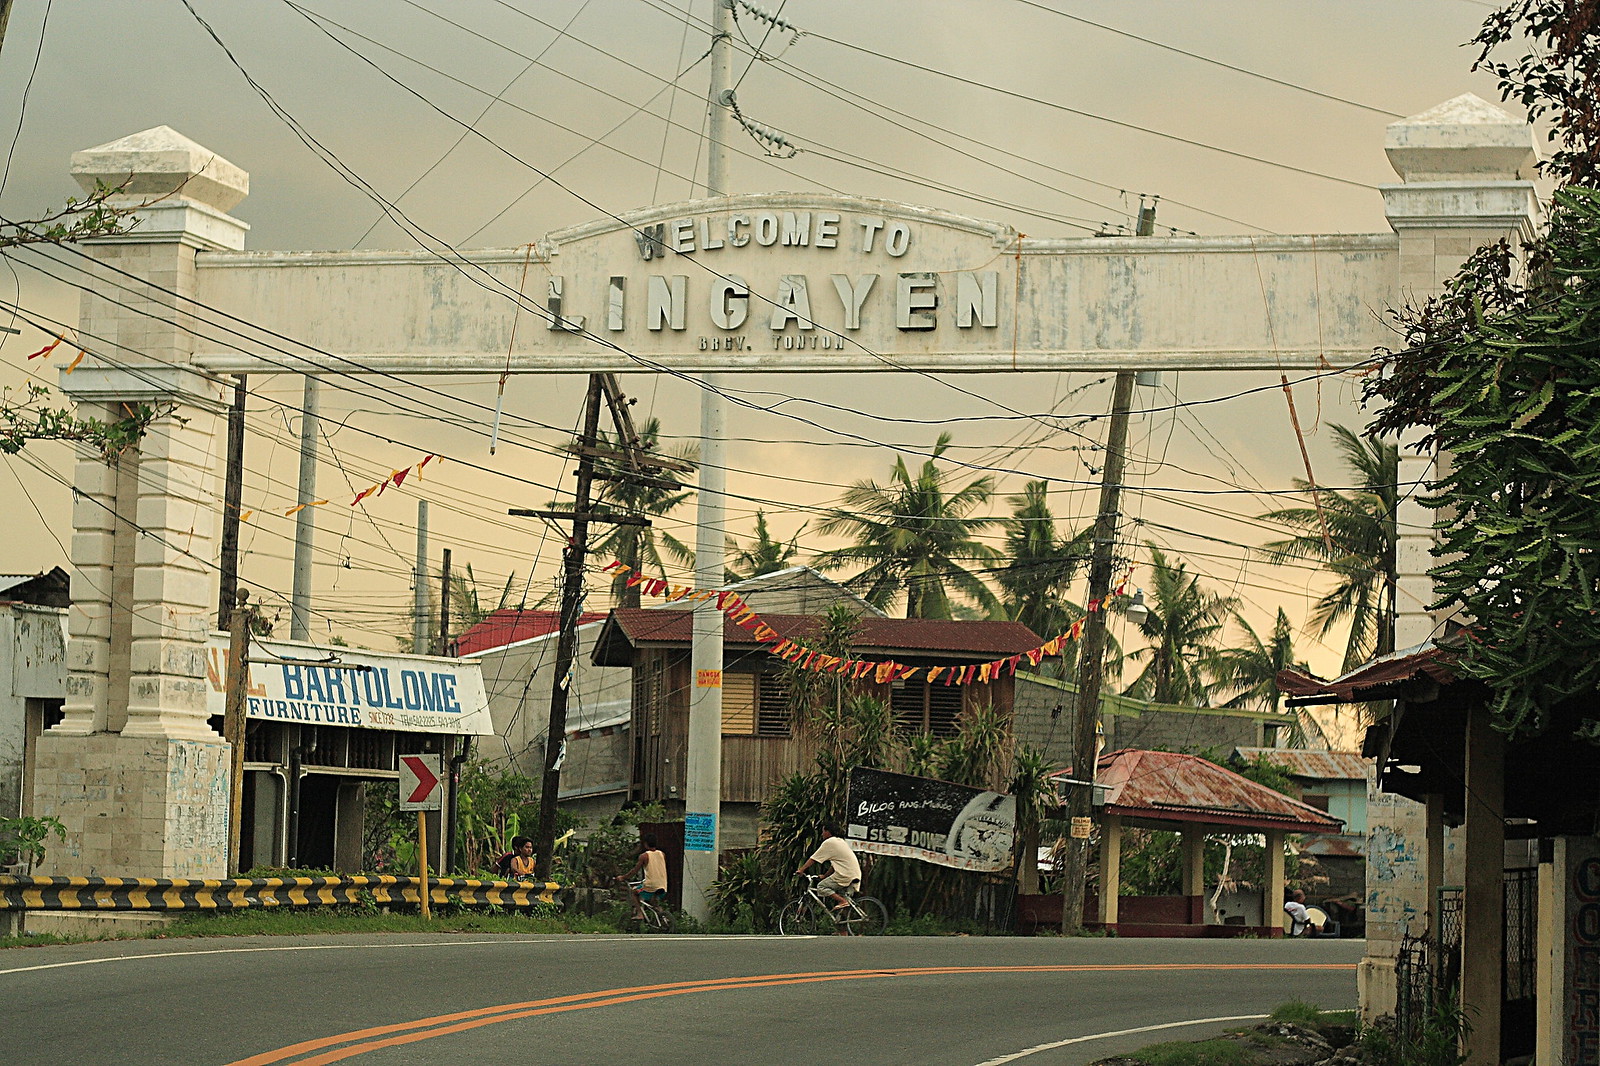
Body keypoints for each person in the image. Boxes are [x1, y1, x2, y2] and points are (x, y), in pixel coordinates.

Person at [796, 823, 862, 911]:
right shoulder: (841, 841)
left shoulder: (830, 842)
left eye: (823, 831)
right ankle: (844, 920)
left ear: (829, 832)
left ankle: (843, 901)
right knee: (843, 896)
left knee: (821, 887)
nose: (822, 834)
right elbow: (834, 865)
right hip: (855, 874)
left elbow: (814, 858)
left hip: (845, 875)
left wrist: (801, 869)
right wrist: (825, 876)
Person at [617, 832, 668, 922]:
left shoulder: (644, 856)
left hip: (650, 885)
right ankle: (663, 917)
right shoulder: (662, 854)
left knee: (634, 892)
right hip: (663, 884)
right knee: (654, 903)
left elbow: (634, 870)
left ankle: (639, 914)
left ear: (645, 844)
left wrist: (623, 877)